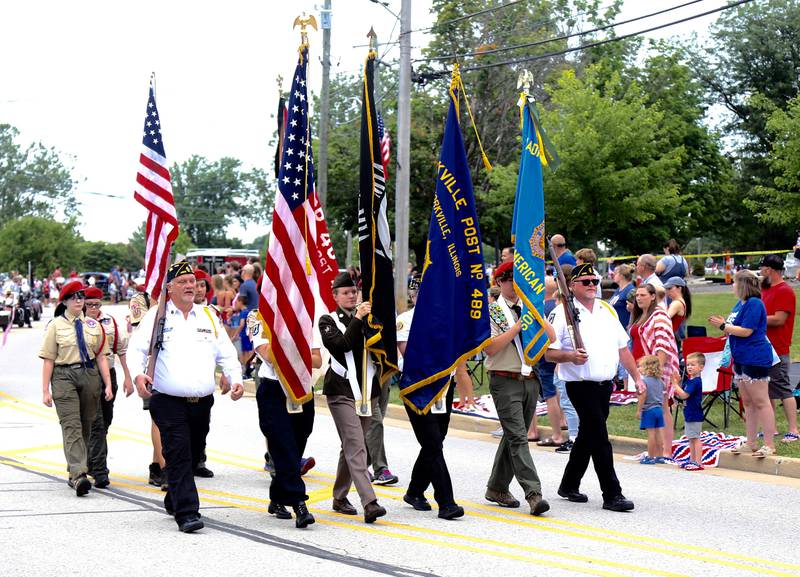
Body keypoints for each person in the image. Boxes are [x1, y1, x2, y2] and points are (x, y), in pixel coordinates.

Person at [129, 260, 244, 533]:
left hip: (201, 403)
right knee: (178, 453)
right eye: (183, 282)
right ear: (170, 288)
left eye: (192, 282)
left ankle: (174, 497)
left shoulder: (208, 316)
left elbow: (226, 352)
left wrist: (236, 378)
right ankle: (188, 512)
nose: (190, 286)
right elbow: (136, 350)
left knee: (192, 456)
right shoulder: (157, 317)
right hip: (168, 401)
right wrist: (137, 375)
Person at [546, 263, 644, 512]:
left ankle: (568, 484)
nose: (592, 286)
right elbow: (547, 353)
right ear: (572, 285)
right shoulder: (561, 313)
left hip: (604, 385)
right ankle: (612, 494)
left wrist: (637, 377)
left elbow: (622, 348)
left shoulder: (607, 310)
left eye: (595, 281)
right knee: (600, 437)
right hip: (580, 385)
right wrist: (570, 356)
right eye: (586, 282)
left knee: (588, 436)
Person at [484, 262, 553, 517]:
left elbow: (551, 337)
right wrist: (516, 327)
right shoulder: (492, 311)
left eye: (518, 280)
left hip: (530, 379)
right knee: (518, 437)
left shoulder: (529, 307)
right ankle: (534, 494)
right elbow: (490, 348)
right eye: (509, 279)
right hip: (504, 380)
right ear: (499, 282)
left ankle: (496, 487)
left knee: (514, 435)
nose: (514, 285)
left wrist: (535, 315)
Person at [319, 272, 387, 524]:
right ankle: (370, 502)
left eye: (353, 292)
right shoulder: (327, 320)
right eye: (344, 292)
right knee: (358, 446)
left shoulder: (368, 318)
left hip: (368, 391)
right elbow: (342, 345)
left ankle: (339, 497)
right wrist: (358, 318)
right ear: (335, 296)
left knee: (350, 446)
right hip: (341, 391)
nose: (350, 296)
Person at [396, 276, 464, 520]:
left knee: (437, 439)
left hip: (445, 385)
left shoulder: (447, 319)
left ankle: (415, 491)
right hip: (418, 386)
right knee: (432, 442)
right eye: (419, 293)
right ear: (414, 296)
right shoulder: (405, 320)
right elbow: (410, 354)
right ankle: (446, 502)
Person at [39, 280, 114, 496]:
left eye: (81, 297)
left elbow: (101, 356)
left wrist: (108, 384)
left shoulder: (93, 325)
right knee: (70, 424)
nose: (79, 301)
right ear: (64, 301)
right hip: (64, 376)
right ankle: (78, 474)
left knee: (86, 424)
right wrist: (45, 390)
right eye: (74, 297)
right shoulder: (55, 326)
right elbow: (48, 360)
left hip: (89, 374)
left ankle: (75, 465)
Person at [250, 306, 318, 528]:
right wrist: (295, 347)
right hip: (273, 389)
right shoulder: (258, 316)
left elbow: (316, 359)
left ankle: (277, 497)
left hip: (301, 387)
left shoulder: (305, 315)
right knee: (285, 447)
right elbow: (267, 354)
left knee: (297, 443)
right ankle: (300, 504)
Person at [710, 270, 776, 458]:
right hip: (740, 357)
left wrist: (723, 326)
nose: (732, 285)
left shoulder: (754, 303)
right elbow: (735, 329)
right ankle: (751, 442)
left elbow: (747, 331)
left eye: (735, 282)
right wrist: (726, 327)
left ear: (743, 284)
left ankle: (769, 444)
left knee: (761, 401)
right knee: (747, 401)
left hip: (754, 357)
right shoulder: (741, 304)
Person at [83, 287, 134, 488]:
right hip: (87, 375)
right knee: (96, 423)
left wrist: (128, 377)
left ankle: (89, 461)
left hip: (109, 375)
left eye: (96, 304)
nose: (93, 308)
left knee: (106, 421)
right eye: (89, 304)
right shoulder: (77, 323)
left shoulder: (110, 321)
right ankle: (100, 470)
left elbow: (121, 350)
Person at [630, 283, 680, 457]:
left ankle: (666, 450)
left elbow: (663, 345)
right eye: (637, 295)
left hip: (657, 370)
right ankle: (656, 449)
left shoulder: (659, 316)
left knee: (663, 407)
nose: (639, 298)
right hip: (643, 369)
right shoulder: (641, 315)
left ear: (653, 296)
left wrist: (655, 372)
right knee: (651, 408)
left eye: (643, 295)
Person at [759, 254, 799, 443]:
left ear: (769, 270)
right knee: (766, 390)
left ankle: (793, 429)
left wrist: (756, 320)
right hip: (763, 346)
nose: (760, 273)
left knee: (783, 389)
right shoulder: (765, 289)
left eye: (762, 269)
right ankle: (771, 427)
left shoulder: (785, 291)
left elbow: (779, 319)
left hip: (778, 347)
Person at [534, 276, 567, 450]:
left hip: (545, 355)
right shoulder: (559, 308)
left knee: (550, 395)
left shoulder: (540, 309)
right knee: (558, 390)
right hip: (560, 354)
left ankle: (557, 435)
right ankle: (562, 421)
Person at [672, 352, 706, 471]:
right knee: (691, 438)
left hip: (695, 414)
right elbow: (681, 395)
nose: (689, 367)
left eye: (693, 364)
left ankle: (699, 462)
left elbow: (685, 395)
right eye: (688, 365)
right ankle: (692, 460)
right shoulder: (689, 381)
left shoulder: (696, 381)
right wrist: (679, 384)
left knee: (695, 438)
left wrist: (675, 385)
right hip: (689, 413)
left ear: (701, 367)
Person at [636, 355, 666, 464]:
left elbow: (643, 396)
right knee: (659, 433)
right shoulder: (659, 380)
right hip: (659, 409)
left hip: (649, 409)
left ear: (647, 367)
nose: (638, 369)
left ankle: (650, 457)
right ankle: (660, 456)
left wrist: (639, 410)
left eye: (640, 366)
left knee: (651, 434)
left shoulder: (644, 381)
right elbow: (664, 389)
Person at [664, 276, 691, 344]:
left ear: (679, 288)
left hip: (671, 339)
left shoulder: (677, 303)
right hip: (672, 338)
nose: (667, 291)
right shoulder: (678, 302)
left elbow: (663, 319)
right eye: (666, 288)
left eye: (670, 288)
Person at [608, 264, 635, 329]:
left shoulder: (630, 290)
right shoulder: (619, 289)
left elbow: (635, 310)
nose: (613, 275)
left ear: (621, 276)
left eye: (615, 273)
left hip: (624, 328)